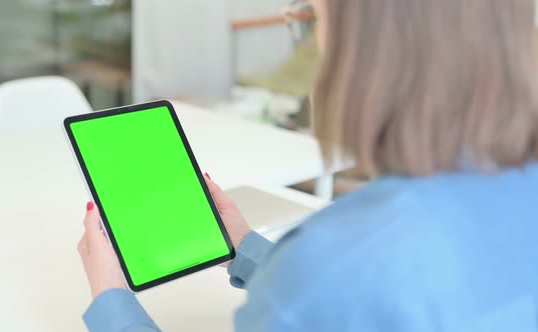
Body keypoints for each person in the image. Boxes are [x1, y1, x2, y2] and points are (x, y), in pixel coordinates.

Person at [77, 0, 538, 331]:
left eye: (310, 19)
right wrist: (245, 247)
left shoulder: (327, 267)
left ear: (367, 52)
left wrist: (111, 300)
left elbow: (332, 287)